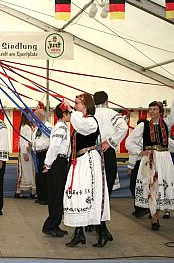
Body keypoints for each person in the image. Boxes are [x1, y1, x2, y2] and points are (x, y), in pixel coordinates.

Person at [125, 87, 174, 231]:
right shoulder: (143, 125)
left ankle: (155, 216)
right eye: (150, 109)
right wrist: (140, 152)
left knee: (161, 187)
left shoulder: (167, 123)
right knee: (151, 186)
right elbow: (130, 141)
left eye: (154, 109)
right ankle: (153, 216)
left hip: (164, 158)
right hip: (149, 159)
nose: (152, 111)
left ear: (160, 111)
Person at [63, 93, 111, 248]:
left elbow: (81, 126)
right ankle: (80, 232)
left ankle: (100, 231)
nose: (75, 105)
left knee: (90, 195)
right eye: (75, 103)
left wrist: (70, 110)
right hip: (79, 162)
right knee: (78, 196)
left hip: (88, 161)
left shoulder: (90, 121)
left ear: (85, 105)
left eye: (77, 103)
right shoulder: (81, 121)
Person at [42, 103, 71, 237]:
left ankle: (55, 224)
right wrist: (47, 165)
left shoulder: (62, 127)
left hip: (60, 161)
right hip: (57, 162)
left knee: (57, 194)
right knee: (56, 195)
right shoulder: (60, 128)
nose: (71, 115)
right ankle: (50, 225)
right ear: (64, 114)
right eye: (69, 113)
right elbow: (54, 147)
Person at [93, 91, 128, 195]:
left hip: (91, 151)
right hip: (107, 150)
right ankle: (105, 205)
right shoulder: (111, 113)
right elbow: (123, 127)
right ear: (106, 101)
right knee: (108, 179)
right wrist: (109, 142)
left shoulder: (89, 114)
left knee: (94, 179)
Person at [127, 119, 150, 218]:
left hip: (139, 163)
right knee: (145, 186)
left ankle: (142, 208)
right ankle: (142, 208)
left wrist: (130, 166)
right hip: (147, 163)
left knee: (135, 186)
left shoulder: (137, 139)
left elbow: (133, 153)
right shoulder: (148, 137)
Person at [32, 109, 53, 205]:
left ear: (40, 116)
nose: (33, 118)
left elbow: (48, 141)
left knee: (44, 176)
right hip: (38, 153)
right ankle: (41, 196)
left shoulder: (48, 127)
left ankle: (46, 197)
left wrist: (37, 145)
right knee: (39, 176)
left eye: (35, 116)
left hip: (45, 152)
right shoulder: (37, 127)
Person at [15, 112, 36, 198]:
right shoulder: (26, 127)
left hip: (28, 151)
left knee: (29, 171)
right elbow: (23, 141)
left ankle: (32, 191)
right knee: (24, 171)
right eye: (30, 115)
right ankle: (19, 190)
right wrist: (25, 152)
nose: (31, 116)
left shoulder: (27, 127)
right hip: (26, 152)